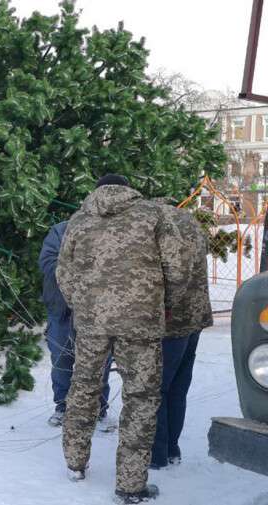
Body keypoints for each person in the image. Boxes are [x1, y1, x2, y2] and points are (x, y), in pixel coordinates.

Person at [56, 174, 188, 504]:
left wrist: (84, 304)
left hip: (91, 323)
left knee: (84, 387)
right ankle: (130, 485)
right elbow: (178, 268)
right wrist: (164, 305)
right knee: (140, 398)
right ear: (127, 189)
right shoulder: (152, 216)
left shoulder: (79, 220)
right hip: (140, 322)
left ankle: (75, 462)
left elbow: (63, 271)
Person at [150, 201, 213, 469]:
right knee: (178, 387)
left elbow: (166, 273)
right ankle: (173, 448)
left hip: (171, 321)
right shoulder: (192, 223)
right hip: (196, 316)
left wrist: (163, 309)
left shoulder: (158, 227)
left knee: (156, 389)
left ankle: (158, 455)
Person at [38, 221, 113, 430]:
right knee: (62, 358)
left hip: (97, 312)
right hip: (61, 310)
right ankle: (63, 407)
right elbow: (46, 262)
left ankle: (98, 409)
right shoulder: (60, 230)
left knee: (100, 361)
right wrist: (79, 272)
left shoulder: (107, 230)